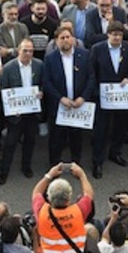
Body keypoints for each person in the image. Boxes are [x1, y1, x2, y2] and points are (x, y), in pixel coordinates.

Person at [32, 163, 93, 253]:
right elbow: (88, 195)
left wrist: (49, 175)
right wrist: (81, 175)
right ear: (69, 197)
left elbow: (36, 193)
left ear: (49, 198)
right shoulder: (78, 211)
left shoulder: (43, 212)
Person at [89, 21, 128, 179]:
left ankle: (115, 152)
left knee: (120, 127)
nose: (117, 37)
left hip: (122, 96)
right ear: (108, 34)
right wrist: (96, 92)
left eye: (120, 35)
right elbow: (92, 72)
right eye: (114, 34)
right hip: (103, 97)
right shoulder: (97, 49)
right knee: (101, 130)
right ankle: (97, 160)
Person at [42, 25, 95, 166]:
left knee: (76, 139)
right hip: (58, 106)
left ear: (73, 39)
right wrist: (60, 98)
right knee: (56, 139)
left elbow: (91, 78)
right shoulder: (50, 58)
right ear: (56, 41)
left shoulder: (84, 55)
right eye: (62, 38)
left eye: (68, 37)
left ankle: (76, 164)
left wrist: (83, 97)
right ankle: (54, 167)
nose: (65, 40)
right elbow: (46, 83)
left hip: (78, 106)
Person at [0, 38, 43, 181]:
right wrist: (11, 107)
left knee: (30, 140)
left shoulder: (39, 65)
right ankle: (4, 170)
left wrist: (41, 93)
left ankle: (26, 166)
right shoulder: (8, 67)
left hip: (32, 112)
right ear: (18, 51)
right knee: (10, 143)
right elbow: (4, 90)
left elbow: (43, 84)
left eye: (31, 51)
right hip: (16, 113)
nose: (28, 53)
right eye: (25, 50)